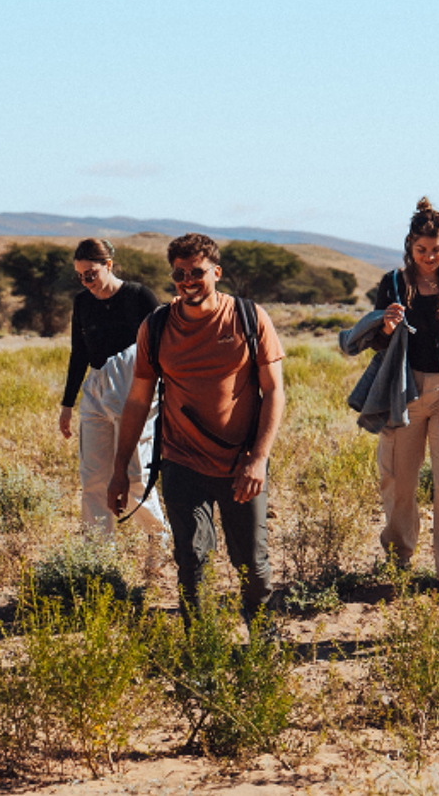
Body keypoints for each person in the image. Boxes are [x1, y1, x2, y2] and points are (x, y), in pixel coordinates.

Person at [109, 233, 286, 628]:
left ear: (216, 272)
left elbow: (274, 392)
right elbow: (138, 401)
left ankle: (262, 642)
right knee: (191, 559)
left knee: (252, 565)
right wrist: (120, 468)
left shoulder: (248, 317)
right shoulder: (156, 327)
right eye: (180, 273)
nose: (188, 280)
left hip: (241, 464)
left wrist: (258, 459)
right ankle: (199, 648)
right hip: (181, 461)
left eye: (197, 272)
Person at [344, 198, 439, 597]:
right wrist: (385, 325)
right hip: (403, 390)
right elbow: (377, 342)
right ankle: (398, 557)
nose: (429, 257)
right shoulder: (394, 282)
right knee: (397, 479)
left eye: (436, 250)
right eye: (421, 250)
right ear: (409, 246)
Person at [58, 238, 166, 539]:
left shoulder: (139, 296)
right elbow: (78, 353)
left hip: (136, 388)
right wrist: (67, 405)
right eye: (80, 276)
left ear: (108, 265)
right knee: (93, 477)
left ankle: (159, 543)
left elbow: (163, 347)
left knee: (134, 475)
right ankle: (97, 554)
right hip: (96, 387)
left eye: (90, 273)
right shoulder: (82, 302)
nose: (86, 281)